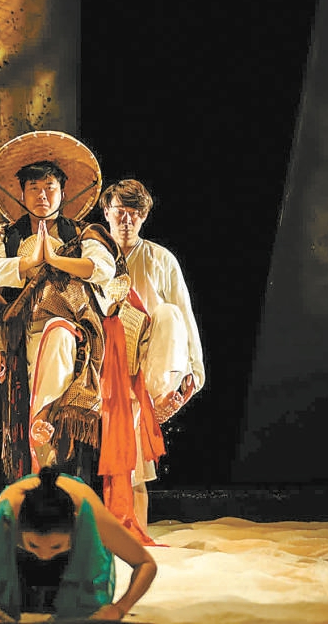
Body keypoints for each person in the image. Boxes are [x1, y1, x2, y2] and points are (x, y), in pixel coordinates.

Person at [0, 131, 124, 487]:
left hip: (75, 332)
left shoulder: (83, 233)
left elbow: (102, 268)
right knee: (40, 366)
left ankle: (43, 419)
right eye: (34, 188)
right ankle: (41, 464)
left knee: (57, 335)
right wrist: (27, 263)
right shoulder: (7, 237)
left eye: (50, 188)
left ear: (63, 192)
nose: (42, 195)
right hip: (25, 335)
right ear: (22, 193)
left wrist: (55, 259)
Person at [100, 178, 206, 531]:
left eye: (135, 212)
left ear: (144, 216)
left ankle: (159, 399)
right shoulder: (93, 256)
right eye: (120, 211)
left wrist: (194, 370)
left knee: (170, 313)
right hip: (106, 358)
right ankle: (124, 532)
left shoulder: (161, 259)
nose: (127, 219)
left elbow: (184, 315)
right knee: (125, 452)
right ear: (106, 212)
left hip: (149, 362)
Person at [0, 466, 157, 622]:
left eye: (55, 547)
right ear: (18, 527)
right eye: (34, 545)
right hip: (21, 560)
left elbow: (145, 564)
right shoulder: (3, 513)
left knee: (80, 614)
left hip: (72, 563)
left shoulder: (89, 514)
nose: (44, 555)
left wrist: (119, 609)